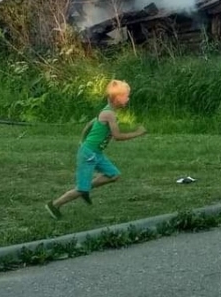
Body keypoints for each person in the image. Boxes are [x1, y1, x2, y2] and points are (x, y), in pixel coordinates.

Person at [46, 79, 146, 218]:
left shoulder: (107, 112)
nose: (128, 99)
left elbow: (89, 124)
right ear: (117, 98)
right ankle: (55, 205)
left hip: (96, 153)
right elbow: (117, 136)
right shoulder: (109, 114)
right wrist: (138, 133)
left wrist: (82, 140)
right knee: (81, 188)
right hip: (89, 153)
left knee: (114, 175)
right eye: (126, 96)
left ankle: (87, 189)